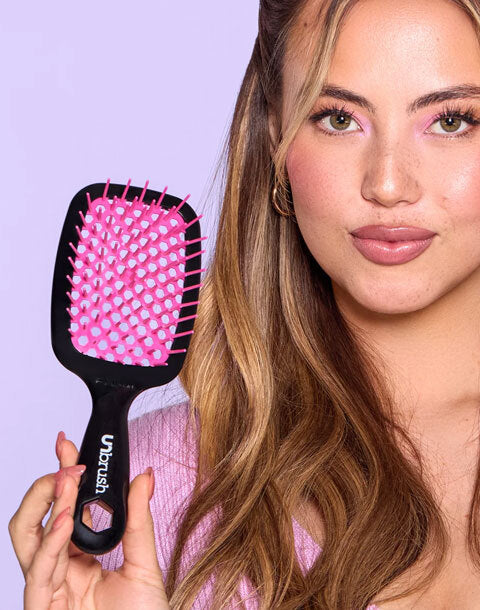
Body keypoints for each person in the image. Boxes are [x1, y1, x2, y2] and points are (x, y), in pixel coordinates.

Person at [9, 0, 480, 607]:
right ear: (275, 138)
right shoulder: (155, 485)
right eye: (338, 118)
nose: (388, 184)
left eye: (452, 121)